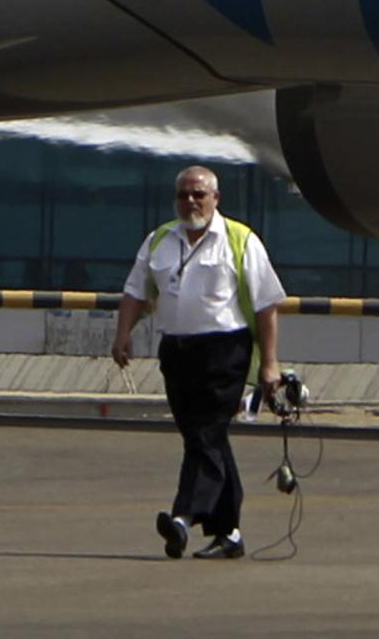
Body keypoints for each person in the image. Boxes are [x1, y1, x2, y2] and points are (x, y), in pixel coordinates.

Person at [111, 165, 285, 560]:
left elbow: (267, 306)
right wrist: (123, 334)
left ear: (215, 199)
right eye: (183, 195)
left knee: (206, 432)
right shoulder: (159, 240)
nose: (191, 201)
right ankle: (229, 533)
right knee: (203, 437)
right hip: (177, 351)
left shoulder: (240, 240)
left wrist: (270, 363)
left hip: (224, 352)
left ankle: (183, 517)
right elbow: (135, 291)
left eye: (199, 195)